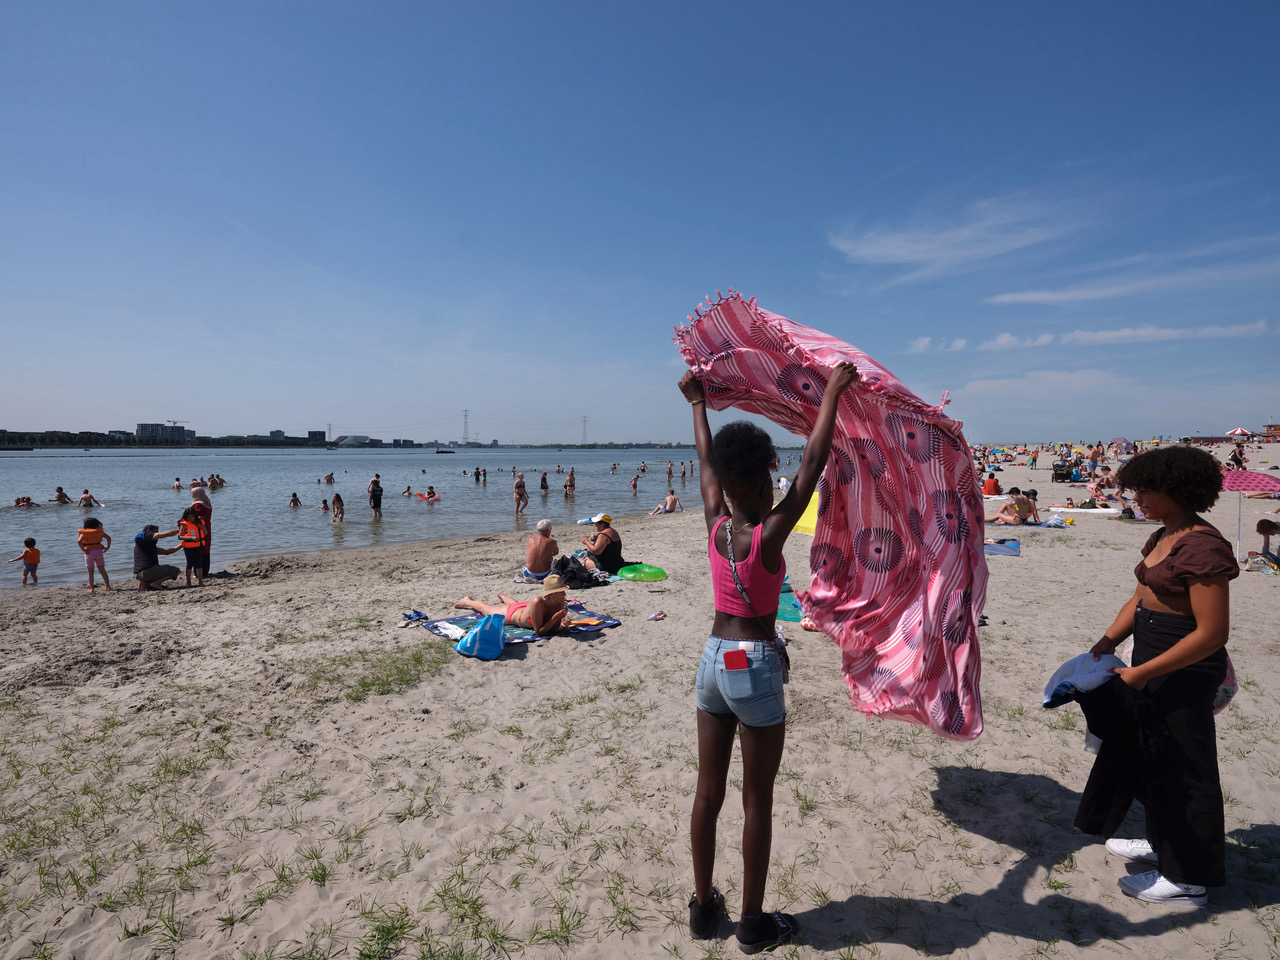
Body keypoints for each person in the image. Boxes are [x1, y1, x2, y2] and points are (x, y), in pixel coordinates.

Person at [679, 361, 857, 950]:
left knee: (708, 793)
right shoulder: (771, 533)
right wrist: (831, 392)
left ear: (726, 484)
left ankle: (704, 909)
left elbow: (706, 463)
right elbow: (813, 463)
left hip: (711, 662)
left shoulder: (714, 525)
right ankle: (752, 923)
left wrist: (698, 403)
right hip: (753, 666)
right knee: (758, 799)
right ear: (763, 476)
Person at [1074, 445, 1237, 907]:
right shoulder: (1165, 534)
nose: (1136, 497)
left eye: (1145, 489)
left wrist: (1142, 673)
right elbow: (1140, 598)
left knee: (1188, 767)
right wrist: (1106, 643)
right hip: (1149, 656)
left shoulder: (1203, 545)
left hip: (1181, 666)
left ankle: (1189, 879)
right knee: (1151, 756)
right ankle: (1165, 842)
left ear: (1177, 489)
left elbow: (1211, 633)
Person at [453, 574, 571, 636]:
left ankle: (503, 596)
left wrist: (561, 624)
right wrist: (556, 618)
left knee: (515, 604)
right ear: (551, 594)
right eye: (561, 591)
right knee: (486, 609)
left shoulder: (560, 600)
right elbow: (540, 631)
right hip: (513, 615)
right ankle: (467, 601)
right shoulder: (537, 602)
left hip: (525, 609)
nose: (564, 594)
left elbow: (554, 627)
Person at [133, 524, 181, 590]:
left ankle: (144, 585)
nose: (157, 533)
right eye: (156, 531)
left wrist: (182, 544)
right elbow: (168, 533)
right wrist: (180, 531)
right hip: (147, 572)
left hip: (138, 574)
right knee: (175, 570)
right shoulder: (147, 534)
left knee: (149, 580)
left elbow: (167, 552)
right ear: (149, 530)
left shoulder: (144, 546)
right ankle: (156, 583)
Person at [78, 517, 112, 592]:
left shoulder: (84, 533)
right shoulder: (99, 532)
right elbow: (109, 538)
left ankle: (92, 588)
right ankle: (108, 586)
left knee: (90, 571)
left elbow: (79, 541)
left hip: (89, 552)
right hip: (98, 551)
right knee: (102, 569)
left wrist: (84, 549)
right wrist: (107, 547)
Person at [177, 507, 207, 587]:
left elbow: (206, 533)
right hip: (188, 547)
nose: (190, 518)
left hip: (198, 546)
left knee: (199, 564)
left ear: (195, 516)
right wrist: (191, 538)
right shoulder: (184, 524)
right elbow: (180, 537)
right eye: (188, 517)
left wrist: (203, 528)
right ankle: (188, 582)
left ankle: (200, 582)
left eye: (192, 517)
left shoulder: (199, 523)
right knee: (189, 564)